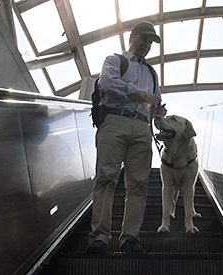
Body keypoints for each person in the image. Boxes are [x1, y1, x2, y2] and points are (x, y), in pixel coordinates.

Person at [85, 21, 167, 255]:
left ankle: (130, 238)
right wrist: (142, 95)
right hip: (115, 121)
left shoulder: (152, 72)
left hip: (142, 127)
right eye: (144, 39)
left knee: (139, 185)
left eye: (150, 42)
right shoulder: (115, 60)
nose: (147, 45)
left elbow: (156, 100)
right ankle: (99, 238)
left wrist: (158, 110)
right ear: (132, 37)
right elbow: (109, 83)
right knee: (106, 178)